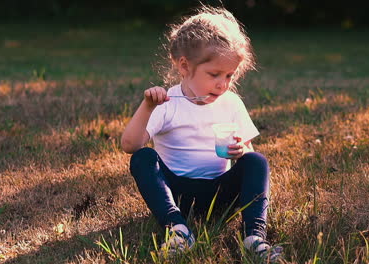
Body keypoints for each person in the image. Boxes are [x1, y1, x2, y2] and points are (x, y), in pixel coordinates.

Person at [121, 5, 283, 263]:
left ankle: (254, 237)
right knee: (143, 159)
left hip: (220, 196)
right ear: (185, 67)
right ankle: (177, 228)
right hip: (176, 193)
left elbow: (248, 154)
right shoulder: (168, 102)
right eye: (214, 74)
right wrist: (148, 105)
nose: (223, 83)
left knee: (257, 161)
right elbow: (130, 145)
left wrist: (242, 151)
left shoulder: (231, 103)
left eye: (230, 75)